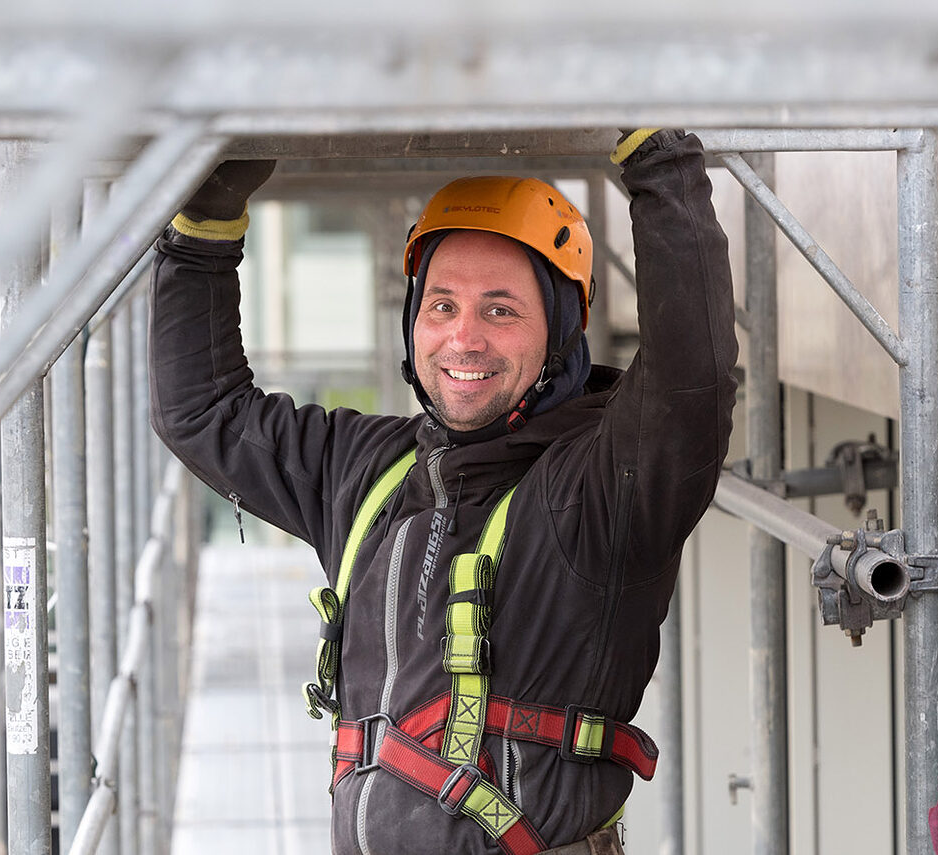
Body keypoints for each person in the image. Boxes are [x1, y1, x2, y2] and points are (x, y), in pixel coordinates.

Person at [149, 129, 737, 855]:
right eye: (441, 305)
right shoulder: (371, 472)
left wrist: (660, 160)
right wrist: (206, 224)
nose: (463, 339)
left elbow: (691, 383)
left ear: (561, 331)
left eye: (500, 309)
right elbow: (203, 411)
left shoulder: (599, 492)